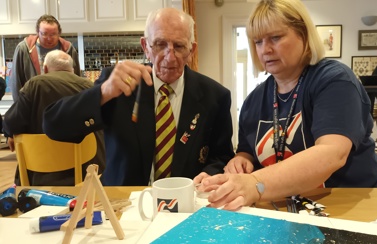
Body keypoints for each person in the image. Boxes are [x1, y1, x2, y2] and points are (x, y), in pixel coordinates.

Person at [194, 0, 377, 211]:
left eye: (275, 38)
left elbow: (332, 154)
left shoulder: (334, 80)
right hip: (288, 208)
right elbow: (246, 153)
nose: (265, 50)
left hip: (350, 203)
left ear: (303, 34)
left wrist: (254, 183)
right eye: (258, 42)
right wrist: (239, 163)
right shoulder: (253, 101)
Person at [43, 8, 234, 186]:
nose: (170, 56)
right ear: (146, 46)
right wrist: (102, 93)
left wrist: (209, 174)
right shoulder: (118, 83)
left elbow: (221, 156)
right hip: (123, 205)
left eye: (179, 46)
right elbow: (54, 126)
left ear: (191, 50)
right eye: (160, 45)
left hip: (185, 206)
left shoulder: (215, 96)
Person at [3, 50, 105, 186]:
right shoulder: (91, 87)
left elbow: (11, 122)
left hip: (42, 175)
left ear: (45, 69)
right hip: (88, 172)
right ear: (73, 70)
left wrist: (10, 133)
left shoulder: (35, 84)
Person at [9, 14, 80, 101]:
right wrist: (20, 107)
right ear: (37, 32)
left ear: (59, 33)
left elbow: (76, 80)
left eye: (53, 34)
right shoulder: (24, 49)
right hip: (33, 104)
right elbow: (16, 81)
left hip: (62, 104)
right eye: (44, 34)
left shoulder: (68, 49)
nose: (49, 38)